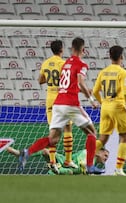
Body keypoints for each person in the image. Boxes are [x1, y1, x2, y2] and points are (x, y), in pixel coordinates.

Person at [18, 37, 100, 174]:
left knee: (53, 139)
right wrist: (91, 98)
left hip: (56, 103)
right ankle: (89, 165)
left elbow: (58, 83)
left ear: (71, 49)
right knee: (92, 133)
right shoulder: (81, 64)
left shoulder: (65, 63)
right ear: (83, 50)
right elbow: (80, 82)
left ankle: (27, 152)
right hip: (71, 103)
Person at [93, 45, 126, 176]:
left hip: (105, 107)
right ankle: (118, 168)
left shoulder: (103, 72)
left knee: (102, 138)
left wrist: (103, 103)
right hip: (118, 106)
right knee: (124, 137)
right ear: (121, 57)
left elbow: (95, 92)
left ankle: (86, 160)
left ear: (110, 57)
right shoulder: (123, 73)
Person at [38, 40, 76, 170]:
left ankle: (53, 162)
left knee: (53, 131)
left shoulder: (46, 63)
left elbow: (40, 80)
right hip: (61, 98)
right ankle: (68, 160)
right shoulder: (64, 64)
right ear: (62, 49)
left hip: (50, 99)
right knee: (67, 129)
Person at [7, 146, 108, 175]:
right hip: (65, 163)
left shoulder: (93, 163)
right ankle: (20, 154)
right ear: (98, 152)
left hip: (67, 171)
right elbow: (82, 163)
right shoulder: (88, 153)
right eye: (105, 155)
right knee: (46, 151)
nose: (106, 158)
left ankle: (55, 168)